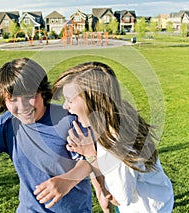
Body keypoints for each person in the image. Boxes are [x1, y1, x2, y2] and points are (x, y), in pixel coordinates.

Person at [0, 58, 92, 212]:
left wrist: (68, 180)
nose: (22, 107)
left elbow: (92, 159)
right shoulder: (7, 124)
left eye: (29, 96)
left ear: (42, 92)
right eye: (13, 100)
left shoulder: (68, 120)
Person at [52, 61, 174, 213]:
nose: (65, 106)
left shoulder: (115, 143)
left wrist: (91, 155)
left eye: (70, 100)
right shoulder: (117, 116)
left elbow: (117, 198)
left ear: (93, 100)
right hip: (160, 198)